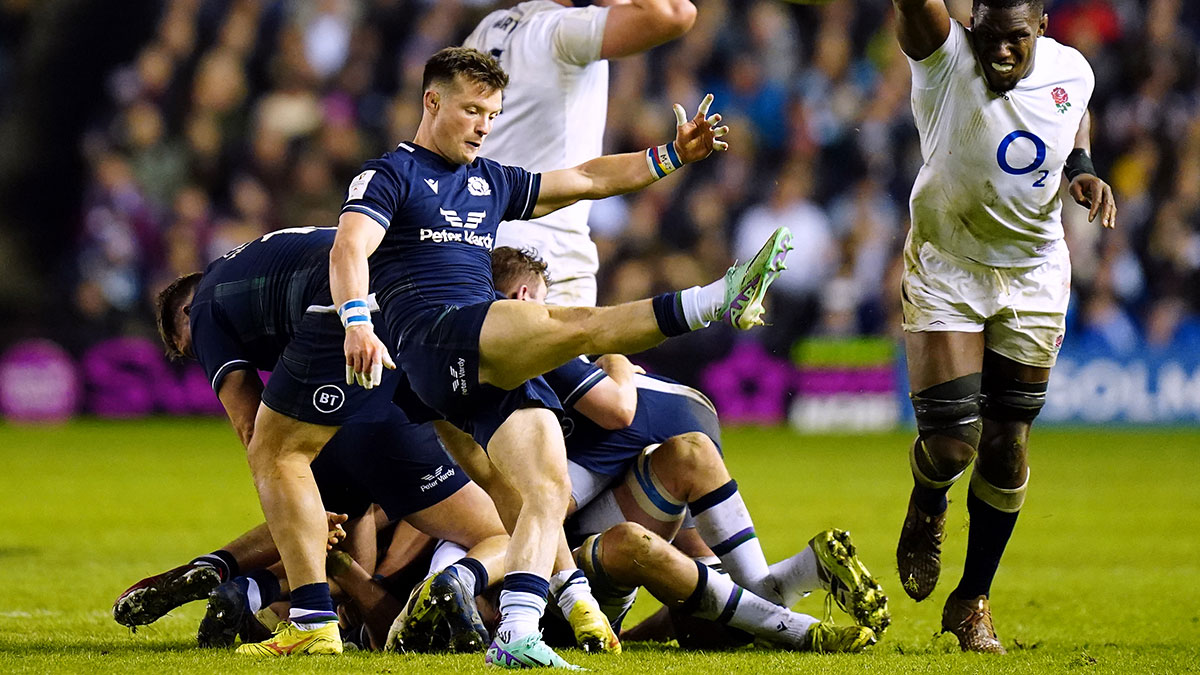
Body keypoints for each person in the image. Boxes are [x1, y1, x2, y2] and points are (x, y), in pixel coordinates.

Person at [331, 47, 785, 669]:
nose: (484, 125)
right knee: (579, 324)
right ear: (431, 102)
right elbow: (350, 247)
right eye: (471, 110)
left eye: (491, 112)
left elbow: (588, 180)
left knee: (542, 490)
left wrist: (671, 156)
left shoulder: (490, 180)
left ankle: (517, 635)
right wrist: (357, 320)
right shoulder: (392, 174)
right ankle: (718, 298)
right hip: (438, 335)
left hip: (477, 369)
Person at [491, 246, 889, 642]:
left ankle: (786, 622)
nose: (548, 314)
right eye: (545, 301)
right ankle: (799, 584)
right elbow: (614, 410)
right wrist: (615, 360)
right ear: (524, 297)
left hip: (608, 489)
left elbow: (528, 500)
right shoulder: (526, 347)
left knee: (639, 540)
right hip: (677, 418)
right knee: (706, 621)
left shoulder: (489, 360)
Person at [146, 226, 511, 656]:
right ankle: (469, 581)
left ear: (186, 312)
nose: (197, 360)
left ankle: (284, 602)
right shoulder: (261, 263)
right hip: (397, 331)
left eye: (188, 351)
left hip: (355, 362)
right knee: (501, 530)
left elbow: (252, 430)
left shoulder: (207, 306)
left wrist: (301, 504)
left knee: (288, 470)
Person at [889, 0, 1116, 653]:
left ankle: (972, 599)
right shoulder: (943, 59)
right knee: (952, 443)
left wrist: (1081, 167)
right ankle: (927, 505)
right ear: (972, 27)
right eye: (989, 37)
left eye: (1016, 39)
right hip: (947, 263)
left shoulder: (1073, 68)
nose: (1001, 52)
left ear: (1042, 28)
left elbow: (1075, 111)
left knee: (1008, 443)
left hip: (1034, 271)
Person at [463, 0, 697, 306]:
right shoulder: (564, 28)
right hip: (543, 255)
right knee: (583, 348)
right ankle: (707, 303)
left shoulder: (489, 29)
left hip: (478, 239)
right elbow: (676, 13)